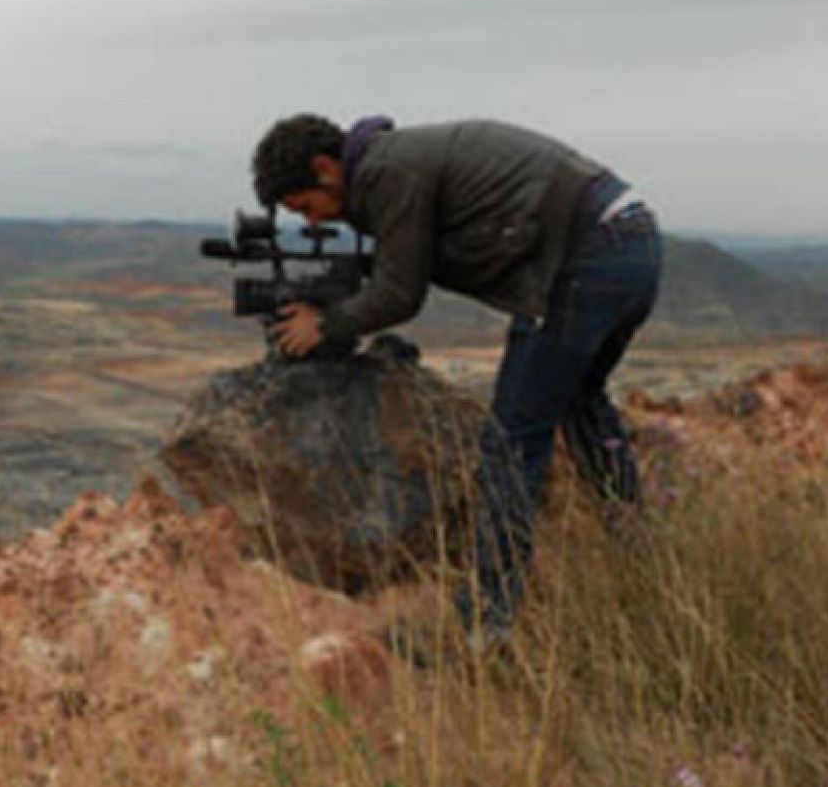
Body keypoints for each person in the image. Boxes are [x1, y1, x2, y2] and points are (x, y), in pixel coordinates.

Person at [251, 113, 662, 644]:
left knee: (511, 442)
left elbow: (400, 293)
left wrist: (324, 324)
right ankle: (636, 544)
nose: (310, 223)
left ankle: (486, 622)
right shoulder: (396, 158)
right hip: (631, 244)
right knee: (579, 400)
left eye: (305, 207)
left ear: (326, 168)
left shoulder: (384, 172)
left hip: (584, 255)